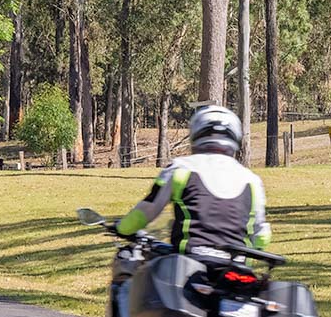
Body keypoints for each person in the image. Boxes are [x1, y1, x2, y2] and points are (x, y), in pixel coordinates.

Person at [116, 103, 270, 255]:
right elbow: (261, 234)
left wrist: (122, 228)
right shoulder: (252, 180)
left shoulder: (181, 169)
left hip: (189, 264)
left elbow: (148, 209)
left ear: (196, 133)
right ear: (235, 136)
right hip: (236, 268)